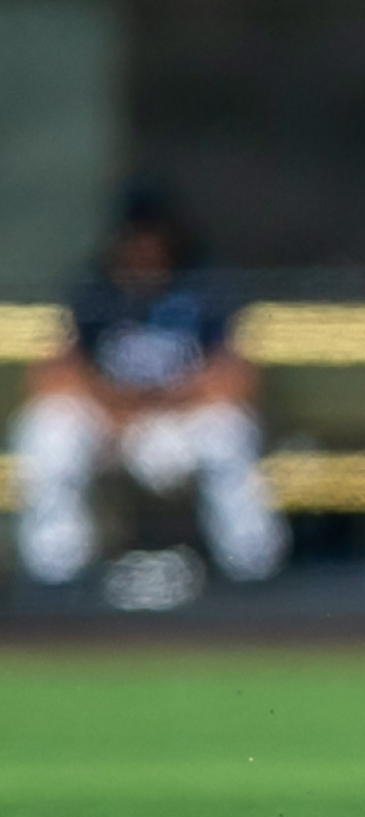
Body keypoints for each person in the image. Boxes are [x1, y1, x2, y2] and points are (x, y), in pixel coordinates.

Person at [10, 188, 285, 590]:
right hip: (110, 427)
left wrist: (164, 402)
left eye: (153, 237)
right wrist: (114, 406)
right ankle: (56, 576)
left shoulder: (203, 287)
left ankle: (252, 573)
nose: (144, 248)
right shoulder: (96, 288)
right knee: (48, 430)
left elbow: (236, 379)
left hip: (179, 426)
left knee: (229, 432)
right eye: (135, 237)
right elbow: (51, 374)